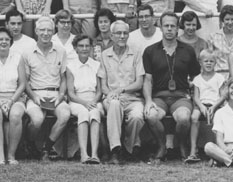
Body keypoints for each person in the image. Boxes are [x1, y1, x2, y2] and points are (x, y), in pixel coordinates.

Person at [142, 11, 200, 162]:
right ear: (160, 27)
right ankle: (161, 146)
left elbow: (196, 77)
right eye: (166, 25)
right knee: (151, 116)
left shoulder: (188, 50)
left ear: (177, 28)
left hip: (181, 96)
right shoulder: (150, 51)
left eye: (172, 26)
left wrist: (194, 96)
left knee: (183, 117)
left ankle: (180, 145)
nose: (169, 29)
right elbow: (147, 80)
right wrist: (148, 101)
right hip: (158, 97)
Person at [23, 15, 71, 161]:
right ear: (36, 31)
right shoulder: (27, 52)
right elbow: (24, 81)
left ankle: (46, 148)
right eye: (42, 30)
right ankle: (30, 145)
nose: (46, 33)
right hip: (35, 94)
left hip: (55, 94)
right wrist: (34, 97)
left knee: (65, 115)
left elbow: (63, 78)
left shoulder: (61, 51)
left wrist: (61, 95)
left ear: (53, 31)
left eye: (49, 30)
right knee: (37, 119)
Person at [99, 19, 145, 163]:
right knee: (114, 104)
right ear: (111, 36)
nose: (122, 36)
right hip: (112, 98)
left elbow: (139, 82)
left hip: (133, 97)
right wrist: (111, 94)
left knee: (137, 116)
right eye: (118, 33)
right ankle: (115, 150)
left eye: (125, 33)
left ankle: (129, 149)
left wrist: (121, 89)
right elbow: (103, 86)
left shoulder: (136, 54)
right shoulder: (104, 55)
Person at [0, 26, 27, 165]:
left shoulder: (18, 58)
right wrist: (0, 103)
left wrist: (11, 101)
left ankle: (11, 155)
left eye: (7, 39)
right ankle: (0, 156)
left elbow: (22, 84)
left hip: (15, 97)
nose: (4, 42)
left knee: (15, 115)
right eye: (0, 39)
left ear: (10, 42)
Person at [66, 34, 103, 164]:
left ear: (91, 47)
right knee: (83, 113)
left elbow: (99, 90)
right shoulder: (70, 67)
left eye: (87, 45)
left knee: (95, 113)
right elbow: (70, 93)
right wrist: (84, 103)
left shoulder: (97, 65)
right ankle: (83, 153)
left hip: (94, 100)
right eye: (81, 46)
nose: (84, 48)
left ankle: (94, 154)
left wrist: (93, 101)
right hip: (77, 101)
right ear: (76, 48)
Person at [190, 49, 226, 163]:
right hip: (201, 105)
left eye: (212, 61)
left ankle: (217, 152)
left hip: (216, 104)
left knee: (218, 119)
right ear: (200, 63)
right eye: (206, 61)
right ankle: (193, 150)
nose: (209, 63)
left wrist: (214, 107)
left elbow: (223, 96)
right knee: (194, 117)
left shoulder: (219, 78)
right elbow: (196, 97)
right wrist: (201, 107)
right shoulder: (197, 79)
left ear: (215, 63)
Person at [208, 5, 233, 78]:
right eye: (227, 19)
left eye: (232, 19)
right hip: (219, 75)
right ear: (222, 20)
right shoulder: (213, 36)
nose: (230, 22)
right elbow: (209, 58)